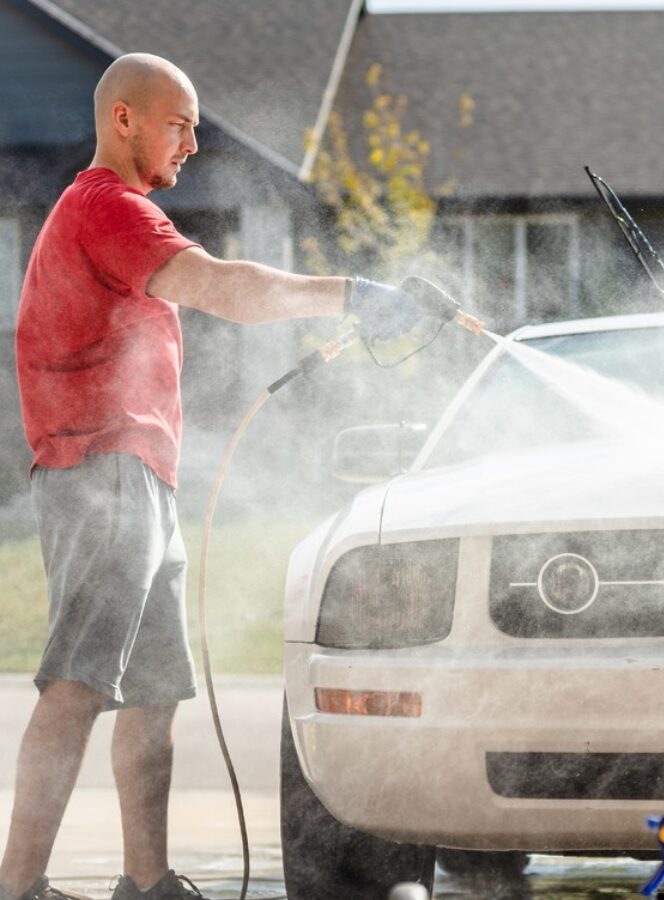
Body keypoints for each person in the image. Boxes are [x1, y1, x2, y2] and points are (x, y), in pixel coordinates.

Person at [3, 53, 429, 900]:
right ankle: (17, 887)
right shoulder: (108, 207)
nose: (192, 143)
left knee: (152, 692)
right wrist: (351, 293)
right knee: (79, 680)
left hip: (137, 477)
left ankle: (147, 881)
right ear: (123, 119)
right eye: (179, 124)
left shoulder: (113, 216)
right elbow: (226, 289)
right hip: (102, 471)